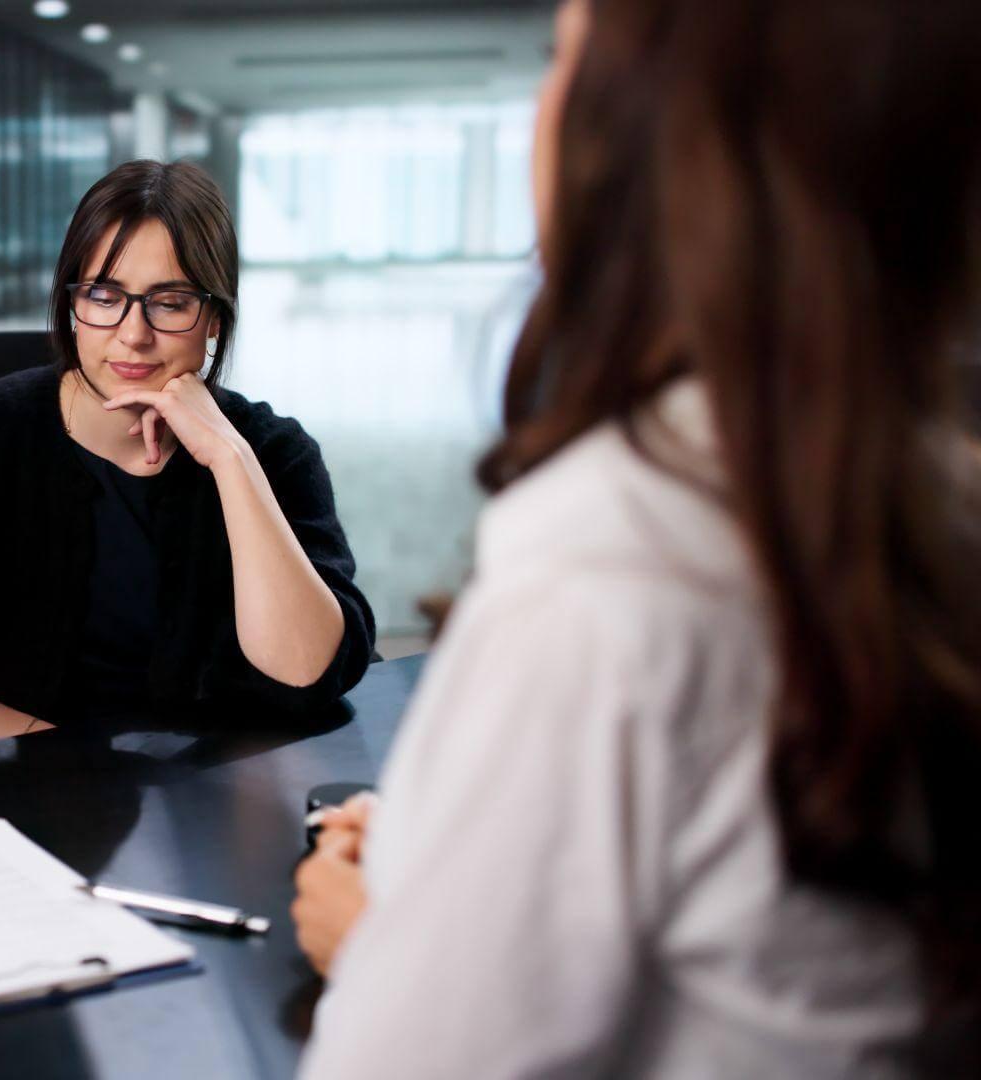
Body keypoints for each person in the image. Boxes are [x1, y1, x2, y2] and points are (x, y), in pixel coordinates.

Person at [292, 0, 981, 1073]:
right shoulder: (933, 494)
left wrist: (383, 939)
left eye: (559, 59)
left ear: (649, 135)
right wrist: (454, 853)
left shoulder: (603, 571)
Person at [0, 160, 374, 751]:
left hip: (214, 798)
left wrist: (230, 459)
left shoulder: (273, 451)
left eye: (170, 303)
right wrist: (56, 756)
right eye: (104, 295)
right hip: (25, 788)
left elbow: (306, 674)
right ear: (72, 305)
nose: (133, 333)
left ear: (215, 321)